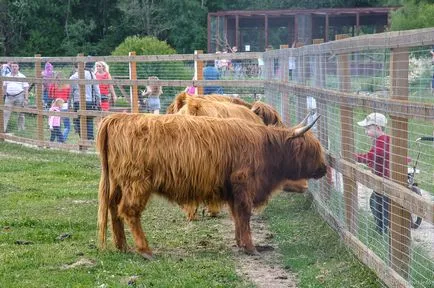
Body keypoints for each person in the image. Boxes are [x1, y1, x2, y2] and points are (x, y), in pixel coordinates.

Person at [355, 112, 390, 234]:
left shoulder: (382, 141)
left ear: (378, 128)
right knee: (376, 200)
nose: (366, 132)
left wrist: (354, 157)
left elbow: (373, 156)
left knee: (380, 203)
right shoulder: (379, 140)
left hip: (386, 178)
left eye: (368, 128)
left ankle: (383, 228)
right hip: (381, 177)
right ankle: (381, 226)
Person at [69, 62, 101, 140]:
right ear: (84, 65)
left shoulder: (73, 77)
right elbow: (97, 89)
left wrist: (69, 103)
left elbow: (71, 92)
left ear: (75, 66)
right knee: (89, 121)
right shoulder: (91, 74)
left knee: (78, 121)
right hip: (90, 101)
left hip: (78, 101)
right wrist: (98, 100)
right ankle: (90, 139)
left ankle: (83, 139)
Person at [3, 62, 29, 132]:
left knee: (21, 113)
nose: (14, 68)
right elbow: (4, 87)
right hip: (9, 97)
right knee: (5, 113)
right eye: (13, 66)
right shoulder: (7, 76)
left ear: (18, 67)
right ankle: (3, 129)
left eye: (16, 66)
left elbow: (26, 88)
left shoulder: (22, 76)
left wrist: (26, 99)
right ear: (10, 67)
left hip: (19, 96)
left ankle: (21, 129)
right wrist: (4, 95)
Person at [49, 72, 71, 141]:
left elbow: (51, 95)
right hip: (64, 104)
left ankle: (57, 139)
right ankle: (62, 140)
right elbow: (69, 96)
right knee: (67, 125)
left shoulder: (53, 85)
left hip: (55, 105)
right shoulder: (67, 86)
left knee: (57, 124)